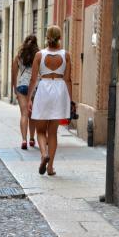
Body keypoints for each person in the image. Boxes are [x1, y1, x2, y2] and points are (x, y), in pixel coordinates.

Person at [28, 25, 72, 176]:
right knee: (52, 132)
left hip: (44, 89)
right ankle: (50, 167)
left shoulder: (39, 55)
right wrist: (70, 100)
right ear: (60, 37)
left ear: (47, 37)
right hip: (59, 90)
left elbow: (33, 79)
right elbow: (68, 79)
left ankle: (43, 154)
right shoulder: (66, 55)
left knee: (40, 130)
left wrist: (29, 99)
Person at [12, 35, 39, 149]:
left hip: (22, 86)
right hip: (36, 87)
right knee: (32, 115)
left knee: (24, 114)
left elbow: (14, 74)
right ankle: (32, 139)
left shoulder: (18, 57)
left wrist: (14, 88)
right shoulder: (39, 56)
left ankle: (24, 140)